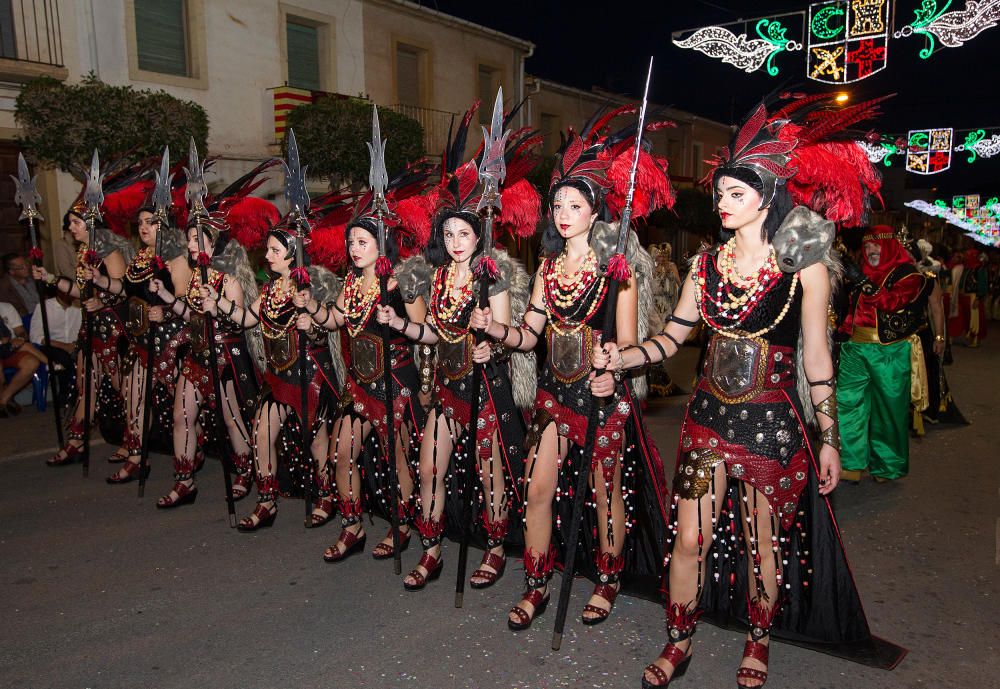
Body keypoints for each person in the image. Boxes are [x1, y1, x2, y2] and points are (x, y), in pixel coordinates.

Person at [593, 95, 905, 687]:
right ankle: (678, 638)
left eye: (736, 194)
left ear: (766, 196)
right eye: (720, 195)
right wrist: (623, 356)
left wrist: (830, 438)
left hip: (772, 427)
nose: (723, 203)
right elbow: (671, 339)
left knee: (765, 545)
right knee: (688, 538)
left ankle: (758, 640)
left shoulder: (803, 269)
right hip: (707, 420)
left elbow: (817, 358)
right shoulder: (704, 267)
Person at [471, 111, 674, 630]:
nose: (562, 213)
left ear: (595, 212)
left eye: (574, 204)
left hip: (602, 399)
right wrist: (496, 332)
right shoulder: (546, 267)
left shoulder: (616, 269)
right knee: (537, 489)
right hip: (554, 397)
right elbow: (531, 335)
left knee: (606, 495)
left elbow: (628, 344)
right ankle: (537, 581)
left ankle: (608, 577)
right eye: (557, 203)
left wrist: (615, 368)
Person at [377, 121, 540, 590]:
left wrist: (492, 334)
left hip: (487, 390)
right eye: (447, 232)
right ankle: (431, 550)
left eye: (462, 231)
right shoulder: (440, 277)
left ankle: (492, 548)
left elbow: (512, 336)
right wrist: (400, 326)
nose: (454, 239)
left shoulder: (497, 273)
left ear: (478, 234)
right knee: (430, 466)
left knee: (491, 477)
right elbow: (431, 333)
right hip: (449, 390)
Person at [303, 184, 430, 565]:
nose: (355, 249)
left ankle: (403, 523)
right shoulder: (352, 284)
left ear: (382, 243)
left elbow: (426, 334)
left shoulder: (400, 284)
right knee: (343, 453)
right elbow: (335, 320)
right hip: (358, 384)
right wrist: (309, 304)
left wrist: (398, 324)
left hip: (395, 383)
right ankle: (352, 524)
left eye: (363, 241)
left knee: (399, 458)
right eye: (352, 242)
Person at [207, 227, 342, 530]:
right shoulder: (269, 289)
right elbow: (245, 319)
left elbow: (326, 329)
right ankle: (267, 499)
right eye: (267, 249)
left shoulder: (308, 287)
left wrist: (310, 322)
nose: (267, 256)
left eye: (274, 251)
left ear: (293, 254)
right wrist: (218, 302)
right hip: (278, 376)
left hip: (306, 375)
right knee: (260, 433)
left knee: (316, 440)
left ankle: (326, 495)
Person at [149, 191, 270, 509]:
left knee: (232, 420)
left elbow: (242, 323)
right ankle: (184, 481)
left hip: (226, 357)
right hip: (196, 354)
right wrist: (165, 296)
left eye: (195, 239)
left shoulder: (228, 281)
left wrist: (217, 306)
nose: (190, 245)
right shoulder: (191, 280)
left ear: (212, 244)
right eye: (189, 239)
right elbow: (191, 317)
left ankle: (245, 472)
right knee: (182, 417)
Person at [85, 205, 191, 483]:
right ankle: (136, 457)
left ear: (164, 226)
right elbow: (125, 290)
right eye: (141, 222)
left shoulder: (177, 259)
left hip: (170, 341)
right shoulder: (142, 258)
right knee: (134, 398)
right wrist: (102, 281)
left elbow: (185, 302)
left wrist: (165, 311)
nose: (144, 227)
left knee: (182, 409)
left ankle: (193, 452)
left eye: (151, 222)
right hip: (141, 340)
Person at [32, 203, 133, 465]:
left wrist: (102, 303)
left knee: (120, 386)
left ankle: (132, 439)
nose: (70, 228)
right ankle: (76, 441)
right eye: (70, 223)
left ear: (90, 224)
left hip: (113, 328)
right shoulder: (83, 253)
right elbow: (80, 291)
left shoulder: (109, 253)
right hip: (90, 327)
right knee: (84, 384)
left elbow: (124, 291)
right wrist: (51, 278)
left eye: (76, 223)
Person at [839, 227, 932, 482]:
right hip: (855, 348)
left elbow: (894, 302)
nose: (871, 251)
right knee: (847, 404)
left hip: (889, 351)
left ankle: (887, 465)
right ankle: (850, 462)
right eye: (867, 247)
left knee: (888, 410)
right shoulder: (864, 274)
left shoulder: (909, 274)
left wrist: (865, 284)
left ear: (890, 246)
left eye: (876, 246)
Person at [30, 291, 82, 408]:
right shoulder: (44, 306)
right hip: (51, 345)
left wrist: (75, 344)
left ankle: (82, 394)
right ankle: (65, 393)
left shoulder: (79, 307)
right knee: (63, 357)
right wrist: (64, 346)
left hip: (74, 345)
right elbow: (36, 336)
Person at [0, 299, 45, 416]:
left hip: (10, 348)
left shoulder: (6, 307)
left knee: (31, 362)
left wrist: (19, 339)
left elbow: (20, 331)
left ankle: (4, 399)